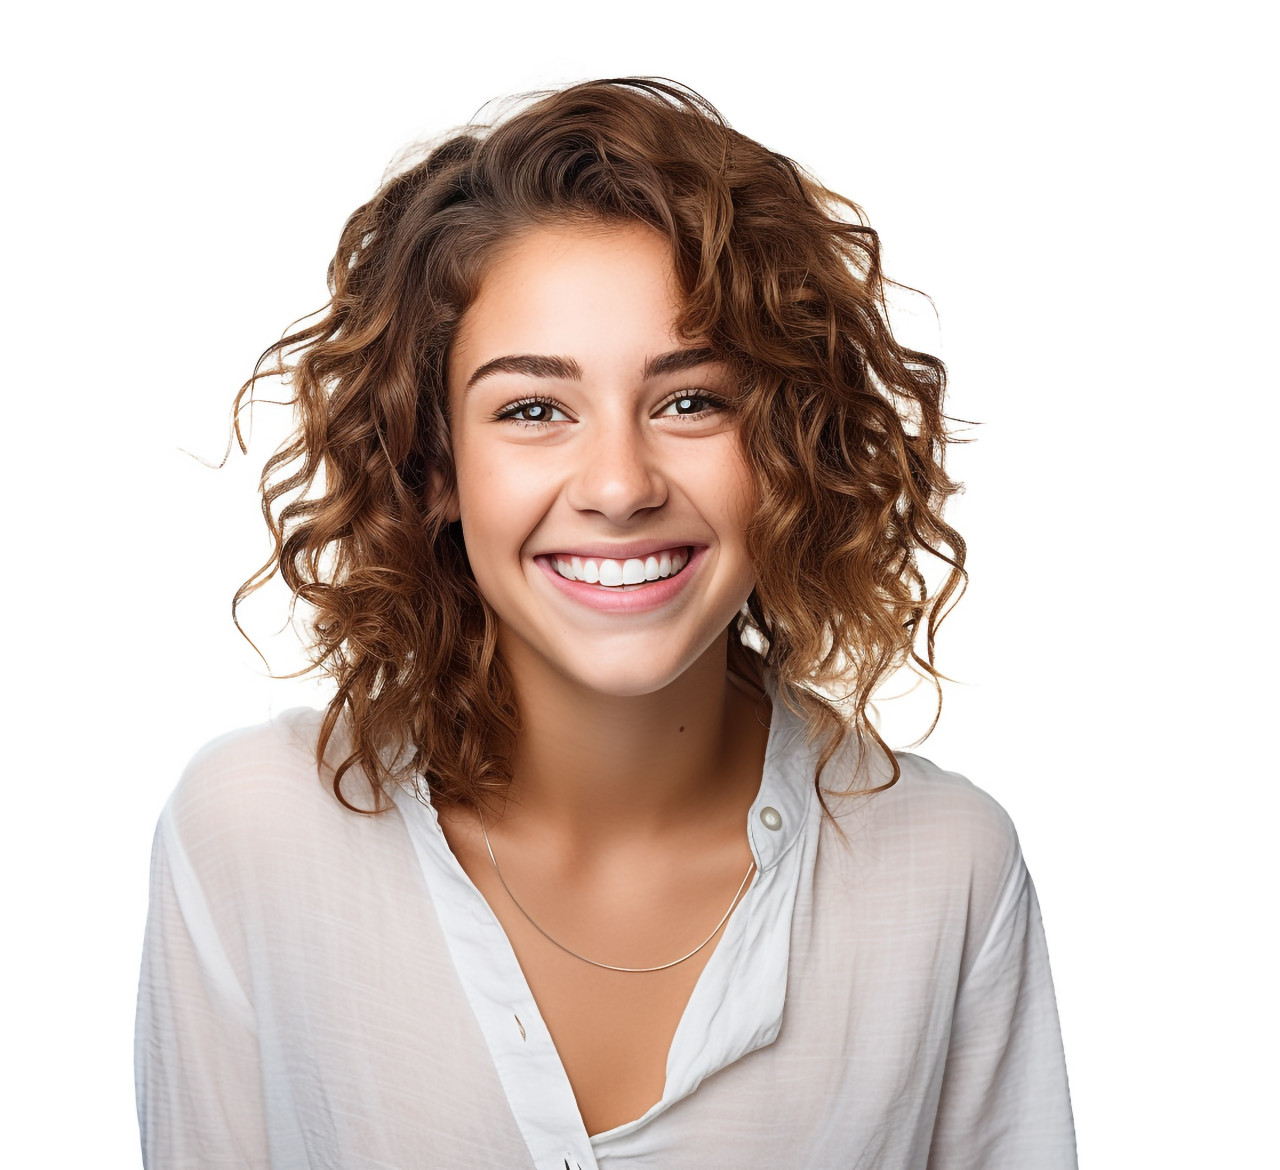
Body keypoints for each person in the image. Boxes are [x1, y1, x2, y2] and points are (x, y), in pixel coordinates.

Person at [135, 78, 1077, 1168]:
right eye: (533, 410)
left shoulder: (947, 871)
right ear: (433, 462)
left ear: (783, 448)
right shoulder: (253, 836)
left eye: (690, 400)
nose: (620, 485)